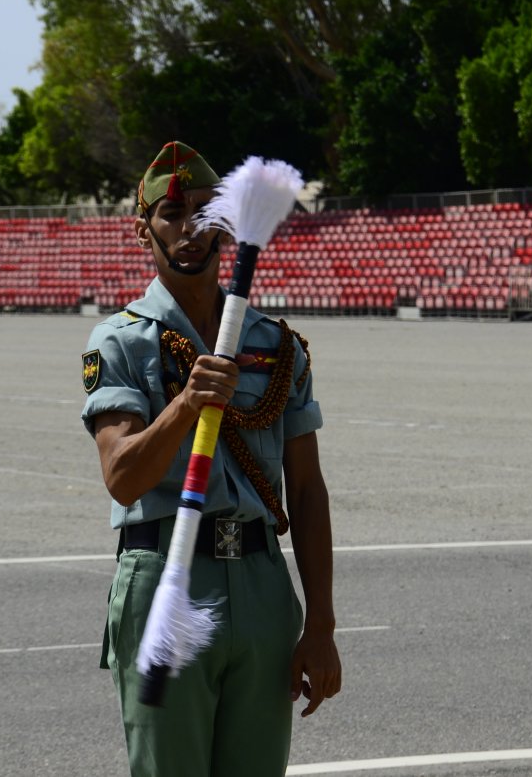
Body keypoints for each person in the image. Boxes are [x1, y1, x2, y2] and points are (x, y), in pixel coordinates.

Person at [81, 141, 341, 776]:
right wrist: (185, 405)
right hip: (165, 579)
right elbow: (122, 478)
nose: (190, 228)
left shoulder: (276, 346)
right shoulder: (119, 342)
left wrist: (322, 626)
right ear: (143, 229)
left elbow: (307, 492)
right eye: (171, 213)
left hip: (260, 582)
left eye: (204, 211)